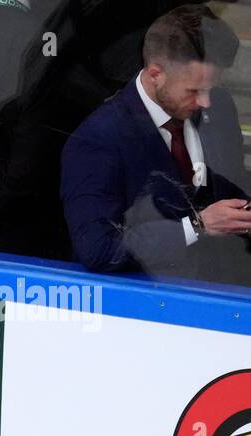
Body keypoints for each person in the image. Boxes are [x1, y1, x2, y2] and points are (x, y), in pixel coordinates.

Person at [61, 5, 251, 279]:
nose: (205, 102)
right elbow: (99, 249)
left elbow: (231, 184)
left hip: (224, 290)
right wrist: (196, 226)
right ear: (155, 75)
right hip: (146, 304)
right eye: (194, 90)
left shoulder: (218, 106)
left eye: (211, 88)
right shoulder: (97, 139)